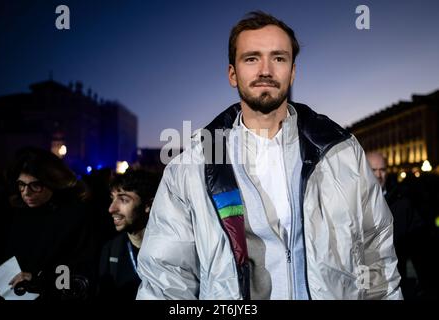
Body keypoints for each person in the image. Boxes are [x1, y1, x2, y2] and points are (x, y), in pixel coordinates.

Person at [136, 11, 402, 300]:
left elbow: (377, 254)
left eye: (278, 58)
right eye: (251, 58)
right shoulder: (190, 168)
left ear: (293, 71)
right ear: (232, 74)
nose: (265, 70)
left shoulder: (342, 153)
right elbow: (165, 281)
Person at [0, 147, 97, 300]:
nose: (26, 192)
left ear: (54, 182)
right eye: (21, 185)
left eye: (35, 185)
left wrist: (39, 281)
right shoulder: (17, 214)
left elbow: (81, 273)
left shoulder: (76, 217)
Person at [366, 151, 437, 299]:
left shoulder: (402, 204)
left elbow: (422, 249)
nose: (379, 175)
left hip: (395, 286)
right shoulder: (354, 206)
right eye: (373, 170)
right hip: (364, 287)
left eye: (383, 170)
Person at [97, 169, 159, 300]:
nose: (111, 208)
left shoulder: (172, 250)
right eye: (112, 199)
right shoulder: (111, 250)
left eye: (123, 200)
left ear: (149, 205)